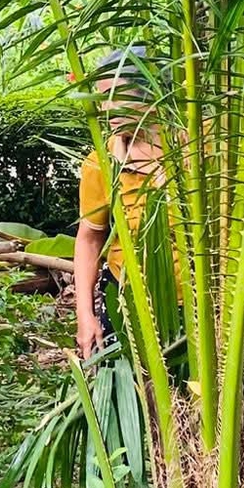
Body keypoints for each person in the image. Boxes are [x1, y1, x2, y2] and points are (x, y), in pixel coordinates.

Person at [73, 49, 161, 360]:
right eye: (101, 97)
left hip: (201, 307)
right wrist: (85, 313)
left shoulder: (201, 147)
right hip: (125, 302)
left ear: (150, 94)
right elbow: (90, 238)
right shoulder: (102, 162)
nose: (106, 108)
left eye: (115, 95)